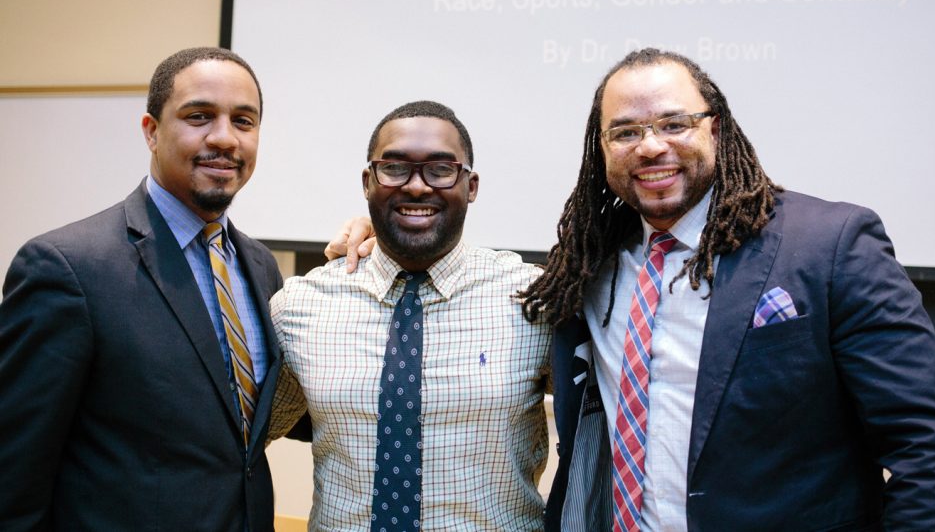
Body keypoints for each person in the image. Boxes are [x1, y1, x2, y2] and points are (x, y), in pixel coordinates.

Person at [515, 48, 935, 531]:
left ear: (715, 129)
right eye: (626, 132)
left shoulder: (830, 244)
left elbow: (931, 448)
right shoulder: (588, 266)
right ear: (602, 148)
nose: (650, 147)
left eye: (674, 124)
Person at [0, 47, 283, 531]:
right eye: (199, 116)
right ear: (151, 131)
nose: (224, 138)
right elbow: (13, 472)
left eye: (243, 121)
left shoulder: (259, 267)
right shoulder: (67, 267)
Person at [269, 100, 551, 530]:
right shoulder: (300, 307)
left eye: (440, 169)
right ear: (368, 182)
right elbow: (240, 441)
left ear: (470, 186)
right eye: (395, 168)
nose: (417, 187)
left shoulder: (534, 301)